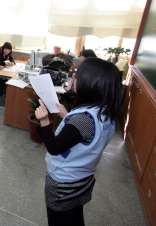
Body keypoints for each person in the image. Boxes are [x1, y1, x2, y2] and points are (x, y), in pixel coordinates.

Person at [35, 57, 121, 226]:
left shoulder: (82, 120)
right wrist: (67, 117)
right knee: (74, 218)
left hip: (64, 186)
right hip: (84, 180)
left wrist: (44, 121)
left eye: (76, 76)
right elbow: (89, 136)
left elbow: (54, 147)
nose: (74, 79)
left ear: (90, 83)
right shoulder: (106, 112)